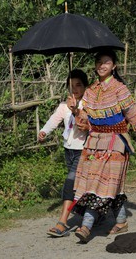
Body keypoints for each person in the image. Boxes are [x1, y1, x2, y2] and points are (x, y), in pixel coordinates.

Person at [67, 50, 136, 243]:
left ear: (113, 66)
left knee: (99, 183)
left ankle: (86, 226)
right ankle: (121, 221)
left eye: (106, 62)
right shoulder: (90, 90)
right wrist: (75, 111)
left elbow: (132, 112)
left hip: (115, 142)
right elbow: (84, 120)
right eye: (98, 62)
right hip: (94, 142)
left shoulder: (119, 89)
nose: (101, 66)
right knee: (105, 184)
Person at [38, 69, 89, 237]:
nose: (74, 89)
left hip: (84, 150)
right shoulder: (63, 106)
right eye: (71, 85)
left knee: (70, 182)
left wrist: (77, 111)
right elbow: (54, 120)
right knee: (80, 185)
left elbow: (90, 124)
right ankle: (93, 214)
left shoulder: (89, 105)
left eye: (78, 85)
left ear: (85, 86)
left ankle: (62, 223)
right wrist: (44, 131)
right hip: (69, 150)